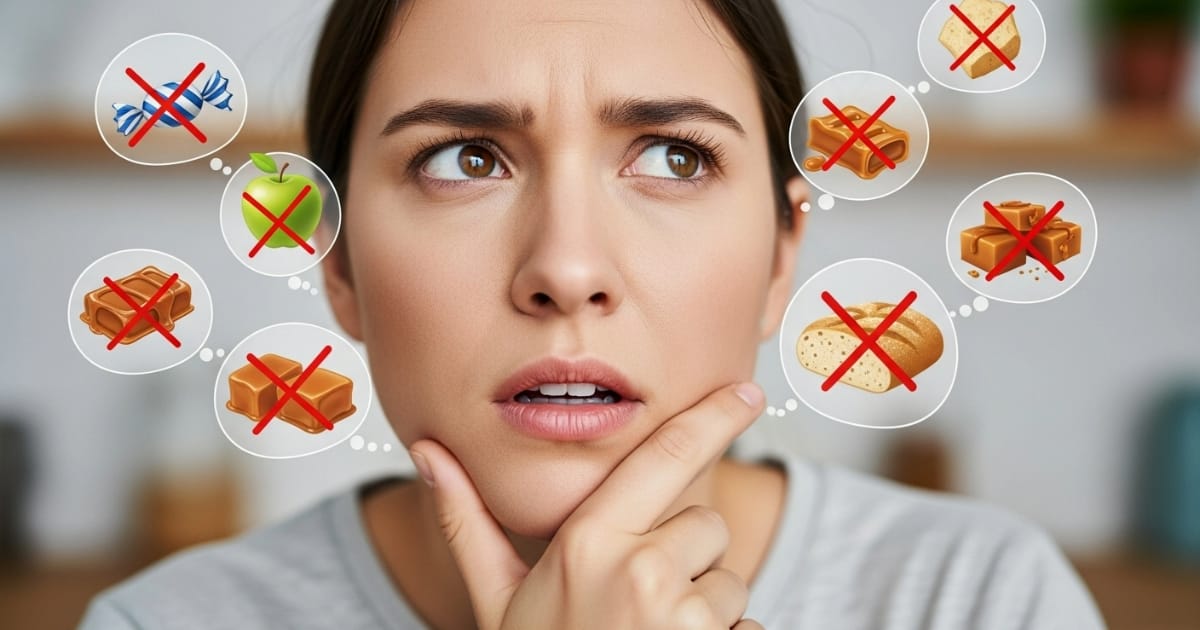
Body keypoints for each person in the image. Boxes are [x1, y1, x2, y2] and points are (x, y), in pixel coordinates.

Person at [80, 0, 1107, 628]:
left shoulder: (979, 603)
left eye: (673, 157)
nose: (567, 270)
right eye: (463, 159)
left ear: (782, 255)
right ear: (337, 259)